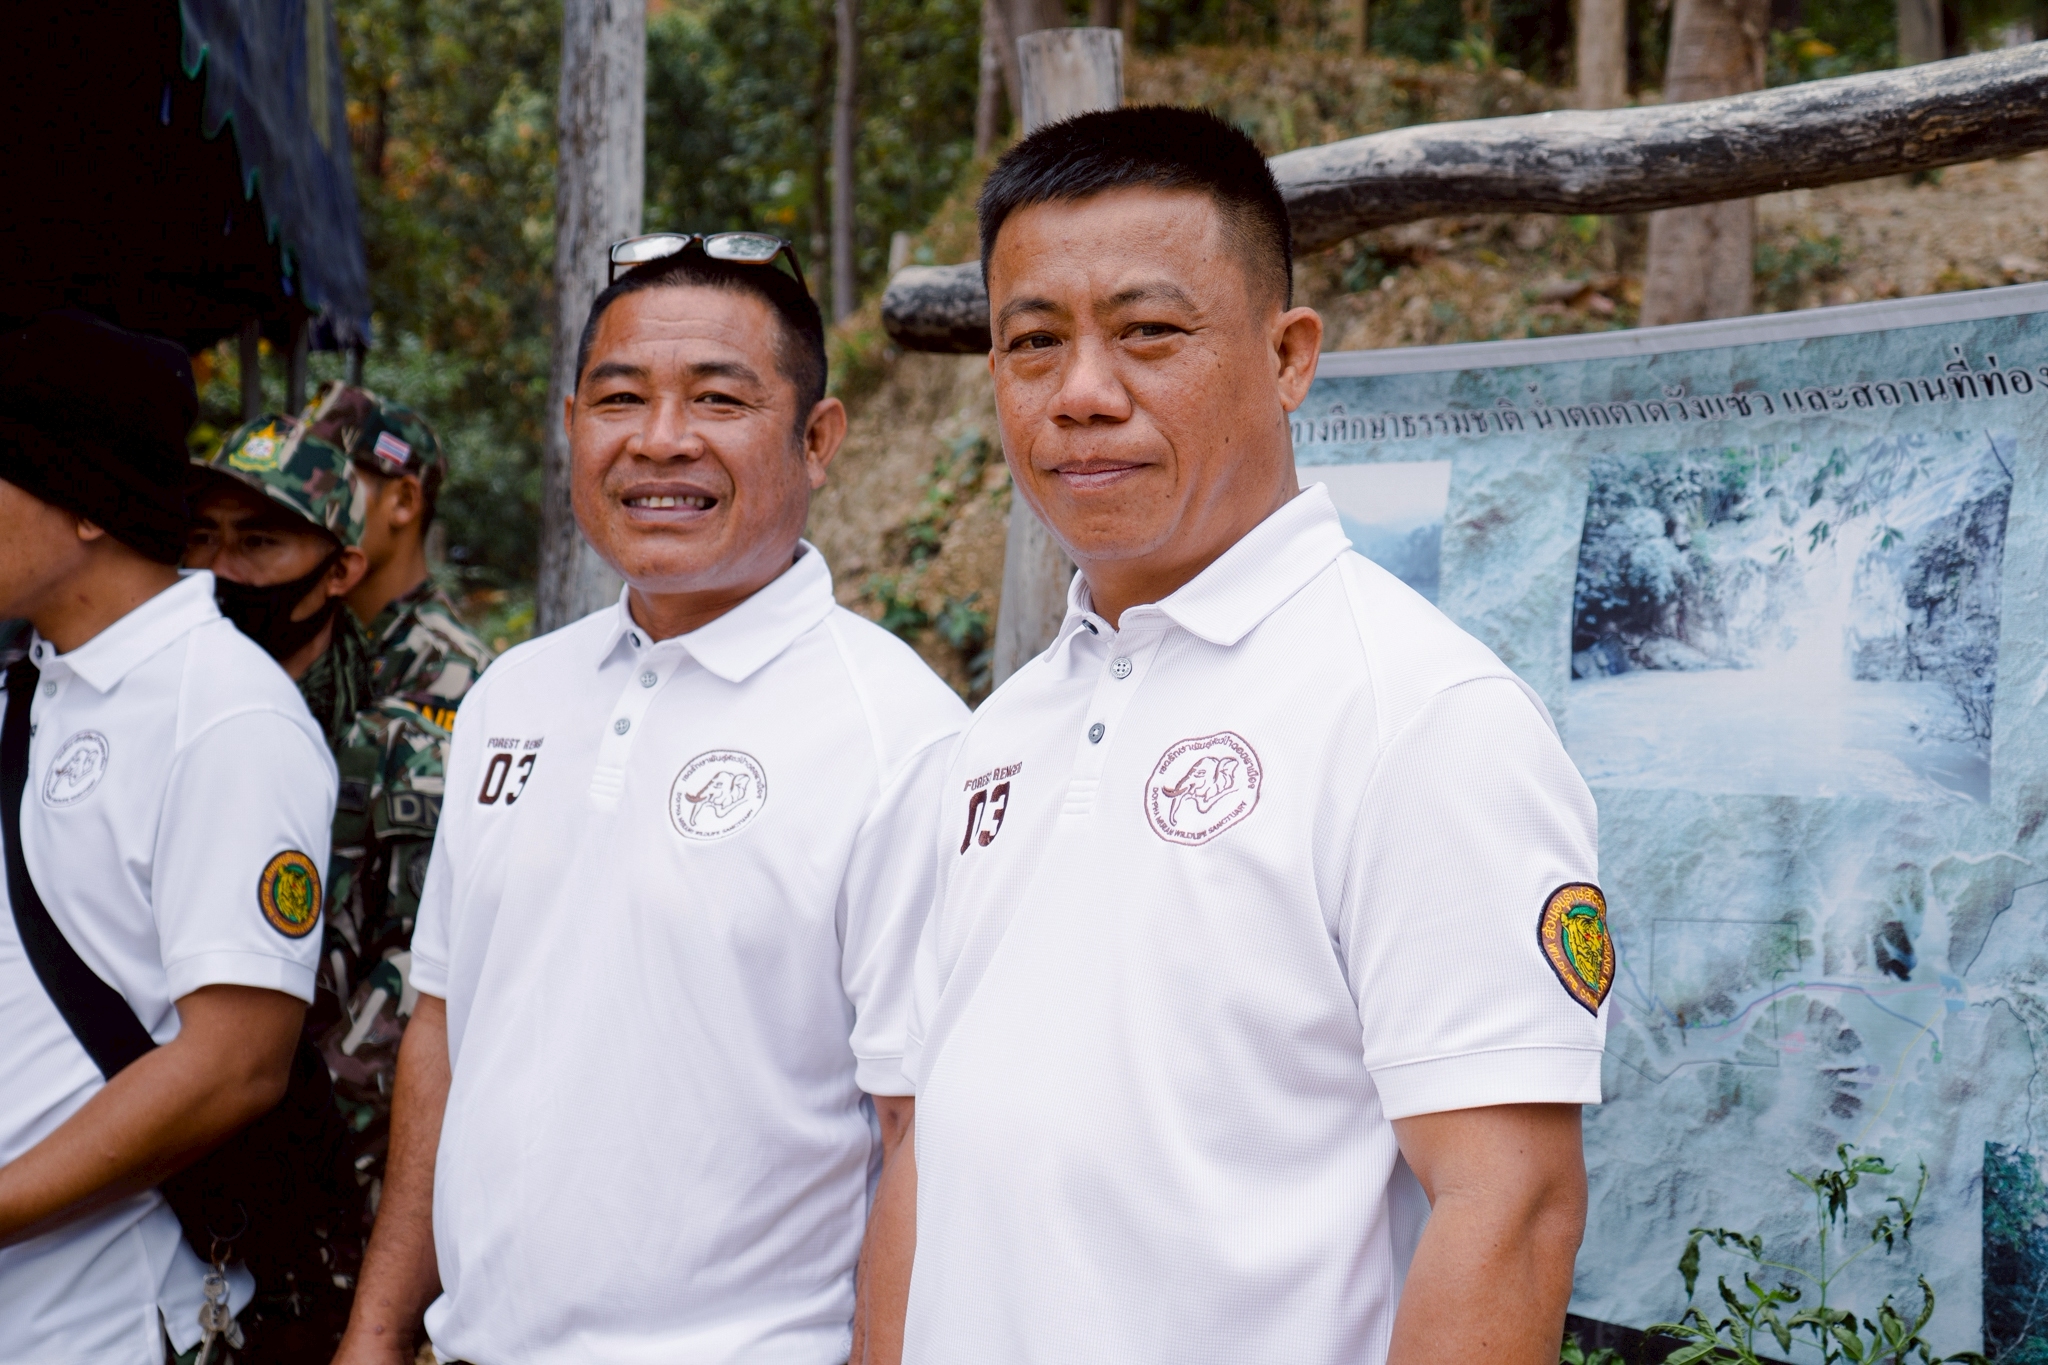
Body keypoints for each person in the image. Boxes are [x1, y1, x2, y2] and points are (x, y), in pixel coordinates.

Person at [872, 107, 1611, 1365]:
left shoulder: (1418, 716)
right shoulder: (994, 737)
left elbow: (1511, 1208)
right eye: (1032, 342)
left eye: (1148, 333)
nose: (1081, 395)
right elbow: (927, 1144)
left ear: (1285, 356)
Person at [333, 237, 968, 1365]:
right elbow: (443, 1027)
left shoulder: (900, 737)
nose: (661, 439)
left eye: (719, 399)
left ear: (817, 439)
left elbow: (922, 1129)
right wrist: (376, 1335)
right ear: (571, 424)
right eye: (621, 399)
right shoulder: (511, 696)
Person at [0, 310, 335, 1362]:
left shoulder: (223, 712)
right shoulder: (29, 690)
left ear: (85, 497)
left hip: (108, 1327)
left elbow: (233, 1065)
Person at [301, 381, 493, 729]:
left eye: (329, 479)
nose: (304, 498)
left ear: (403, 502)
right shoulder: (309, 630)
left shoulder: (449, 669)